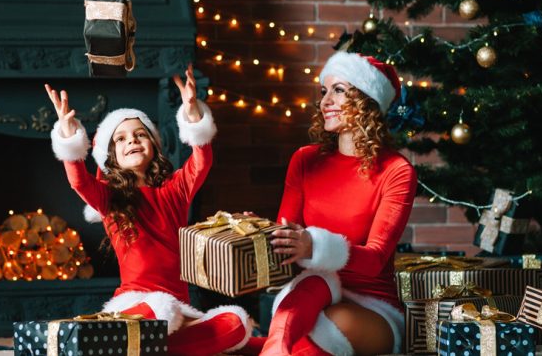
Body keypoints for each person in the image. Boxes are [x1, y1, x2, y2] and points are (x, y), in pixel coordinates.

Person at [44, 65, 252, 356]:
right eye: (121, 138)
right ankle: (134, 343)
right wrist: (68, 134)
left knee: (237, 324)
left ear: (153, 145)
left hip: (178, 308)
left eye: (140, 134)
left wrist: (193, 114)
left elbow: (201, 162)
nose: (132, 140)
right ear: (111, 156)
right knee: (158, 309)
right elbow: (78, 180)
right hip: (137, 307)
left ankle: (141, 350)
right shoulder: (109, 199)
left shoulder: (174, 190)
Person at [257, 51, 418, 355]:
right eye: (323, 91)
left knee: (315, 324)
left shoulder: (397, 171)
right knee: (313, 288)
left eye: (339, 90)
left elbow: (373, 260)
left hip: (370, 305)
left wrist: (314, 247)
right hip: (310, 294)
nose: (325, 101)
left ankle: (271, 346)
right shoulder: (305, 160)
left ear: (367, 101)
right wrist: (255, 231)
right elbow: (286, 238)